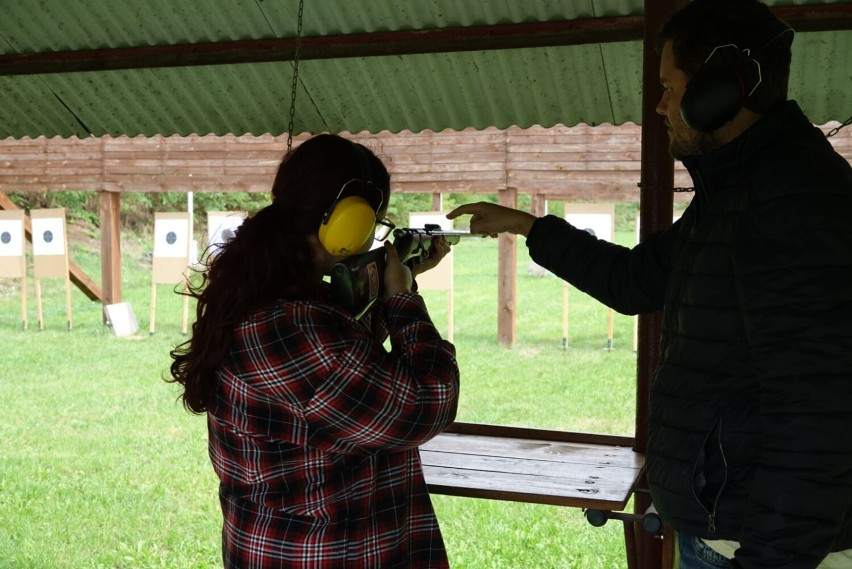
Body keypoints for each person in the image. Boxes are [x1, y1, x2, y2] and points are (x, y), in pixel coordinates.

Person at [447, 0, 852, 567]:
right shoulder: (743, 192)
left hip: (760, 544)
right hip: (734, 529)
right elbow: (636, 280)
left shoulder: (791, 204)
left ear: (720, 91)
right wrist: (528, 226)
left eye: (670, 86)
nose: (660, 105)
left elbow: (818, 411)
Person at [169, 133, 460, 568]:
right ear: (349, 222)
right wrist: (402, 300)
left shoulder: (269, 296)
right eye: (373, 223)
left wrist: (396, 281)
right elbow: (426, 402)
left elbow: (347, 359)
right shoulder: (289, 327)